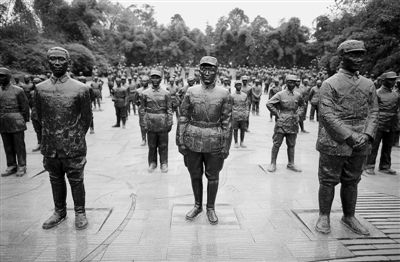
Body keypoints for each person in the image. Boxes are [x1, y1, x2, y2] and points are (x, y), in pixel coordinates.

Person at [315, 40, 378, 235]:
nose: (359, 59)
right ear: (342, 57)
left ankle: (349, 215)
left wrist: (367, 134)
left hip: (361, 141)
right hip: (334, 140)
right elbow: (326, 114)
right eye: (354, 54)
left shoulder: (368, 84)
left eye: (361, 54)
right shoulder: (330, 83)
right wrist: (349, 136)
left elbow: (374, 111)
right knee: (328, 180)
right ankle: (324, 215)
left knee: (352, 180)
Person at [36, 47, 92, 230]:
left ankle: (80, 211)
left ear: (68, 62)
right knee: (55, 178)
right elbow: (37, 116)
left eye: (61, 59)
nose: (57, 63)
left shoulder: (81, 88)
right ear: (48, 62)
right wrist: (47, 137)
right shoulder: (40, 89)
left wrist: (73, 137)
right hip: (50, 144)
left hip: (73, 144)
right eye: (53, 59)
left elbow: (86, 119)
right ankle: (59, 211)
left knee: (76, 179)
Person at [177, 56, 232, 225]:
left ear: (217, 71)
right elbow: (183, 116)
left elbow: (227, 122)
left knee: (213, 176)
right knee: (195, 174)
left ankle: (210, 208)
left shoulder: (224, 94)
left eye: (211, 69)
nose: (207, 73)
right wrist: (180, 139)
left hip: (214, 139)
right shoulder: (191, 91)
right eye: (204, 69)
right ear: (199, 71)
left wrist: (226, 145)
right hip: (192, 138)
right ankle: (197, 205)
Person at [266, 74, 304, 173]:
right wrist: (277, 114)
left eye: (294, 82)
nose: (293, 84)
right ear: (286, 83)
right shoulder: (280, 94)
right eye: (290, 82)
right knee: (277, 143)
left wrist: (298, 114)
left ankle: (291, 163)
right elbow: (269, 103)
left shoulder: (298, 95)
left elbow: (302, 106)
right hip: (282, 122)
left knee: (291, 144)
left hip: (293, 123)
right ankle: (273, 163)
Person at [364, 71, 399, 175]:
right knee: (374, 146)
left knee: (388, 146)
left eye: (394, 79)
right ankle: (369, 165)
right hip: (378, 123)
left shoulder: (396, 95)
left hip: (391, 123)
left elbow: (397, 110)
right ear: (384, 81)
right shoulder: (377, 93)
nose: (393, 81)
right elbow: (371, 110)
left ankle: (385, 166)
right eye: (391, 79)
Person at [141, 69, 173, 173]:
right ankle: (152, 162)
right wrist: (144, 122)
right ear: (150, 79)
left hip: (162, 121)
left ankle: (164, 163)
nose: (155, 79)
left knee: (163, 145)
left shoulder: (166, 93)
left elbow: (169, 109)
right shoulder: (145, 93)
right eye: (153, 77)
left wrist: (170, 122)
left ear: (161, 79)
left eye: (157, 77)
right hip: (150, 121)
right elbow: (142, 109)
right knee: (152, 145)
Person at [0, 67, 30, 177]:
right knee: (7, 145)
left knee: (19, 145)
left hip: (16, 120)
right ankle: (11, 164)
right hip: (3, 120)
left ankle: (22, 165)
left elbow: (25, 106)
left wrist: (24, 120)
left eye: (2, 76)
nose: (0, 78)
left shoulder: (18, 90)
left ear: (8, 77)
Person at [231, 80, 250, 148]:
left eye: (239, 85)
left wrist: (247, 113)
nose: (238, 86)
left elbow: (247, 105)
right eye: (237, 85)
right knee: (235, 129)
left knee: (243, 129)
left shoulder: (244, 95)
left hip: (243, 115)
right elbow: (230, 106)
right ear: (235, 86)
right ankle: (236, 142)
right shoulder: (232, 96)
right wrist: (232, 114)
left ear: (241, 86)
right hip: (235, 115)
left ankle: (242, 142)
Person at [136, 75, 150, 146]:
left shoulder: (151, 89)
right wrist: (140, 105)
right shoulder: (138, 90)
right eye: (143, 81)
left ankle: (150, 138)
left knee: (150, 124)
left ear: (148, 82)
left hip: (150, 109)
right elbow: (135, 100)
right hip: (142, 109)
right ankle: (143, 139)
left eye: (145, 81)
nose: (144, 82)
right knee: (142, 125)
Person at [30, 77, 42, 152]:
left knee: (45, 130)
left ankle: (46, 144)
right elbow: (29, 103)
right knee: (37, 130)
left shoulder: (45, 92)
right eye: (34, 82)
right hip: (34, 113)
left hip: (44, 113)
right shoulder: (31, 92)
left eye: (37, 82)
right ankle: (39, 143)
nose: (36, 84)